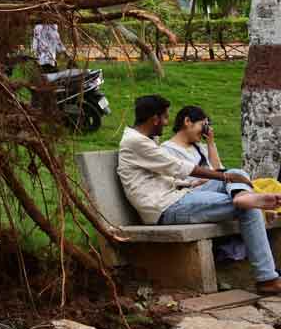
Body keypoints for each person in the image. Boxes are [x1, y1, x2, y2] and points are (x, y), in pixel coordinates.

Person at [117, 95, 281, 294]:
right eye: (165, 117)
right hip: (165, 208)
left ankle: (240, 195)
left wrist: (201, 182)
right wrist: (222, 177)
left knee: (237, 174)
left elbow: (163, 177)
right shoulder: (135, 142)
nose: (168, 123)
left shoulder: (144, 140)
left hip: (178, 195)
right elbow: (177, 166)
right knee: (248, 207)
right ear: (155, 118)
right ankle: (267, 279)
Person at [162, 105, 222, 175]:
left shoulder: (201, 147)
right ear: (187, 121)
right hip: (191, 185)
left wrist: (210, 143)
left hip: (213, 184)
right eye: (203, 125)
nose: (206, 131)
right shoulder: (167, 150)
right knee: (234, 173)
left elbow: (219, 172)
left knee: (234, 174)